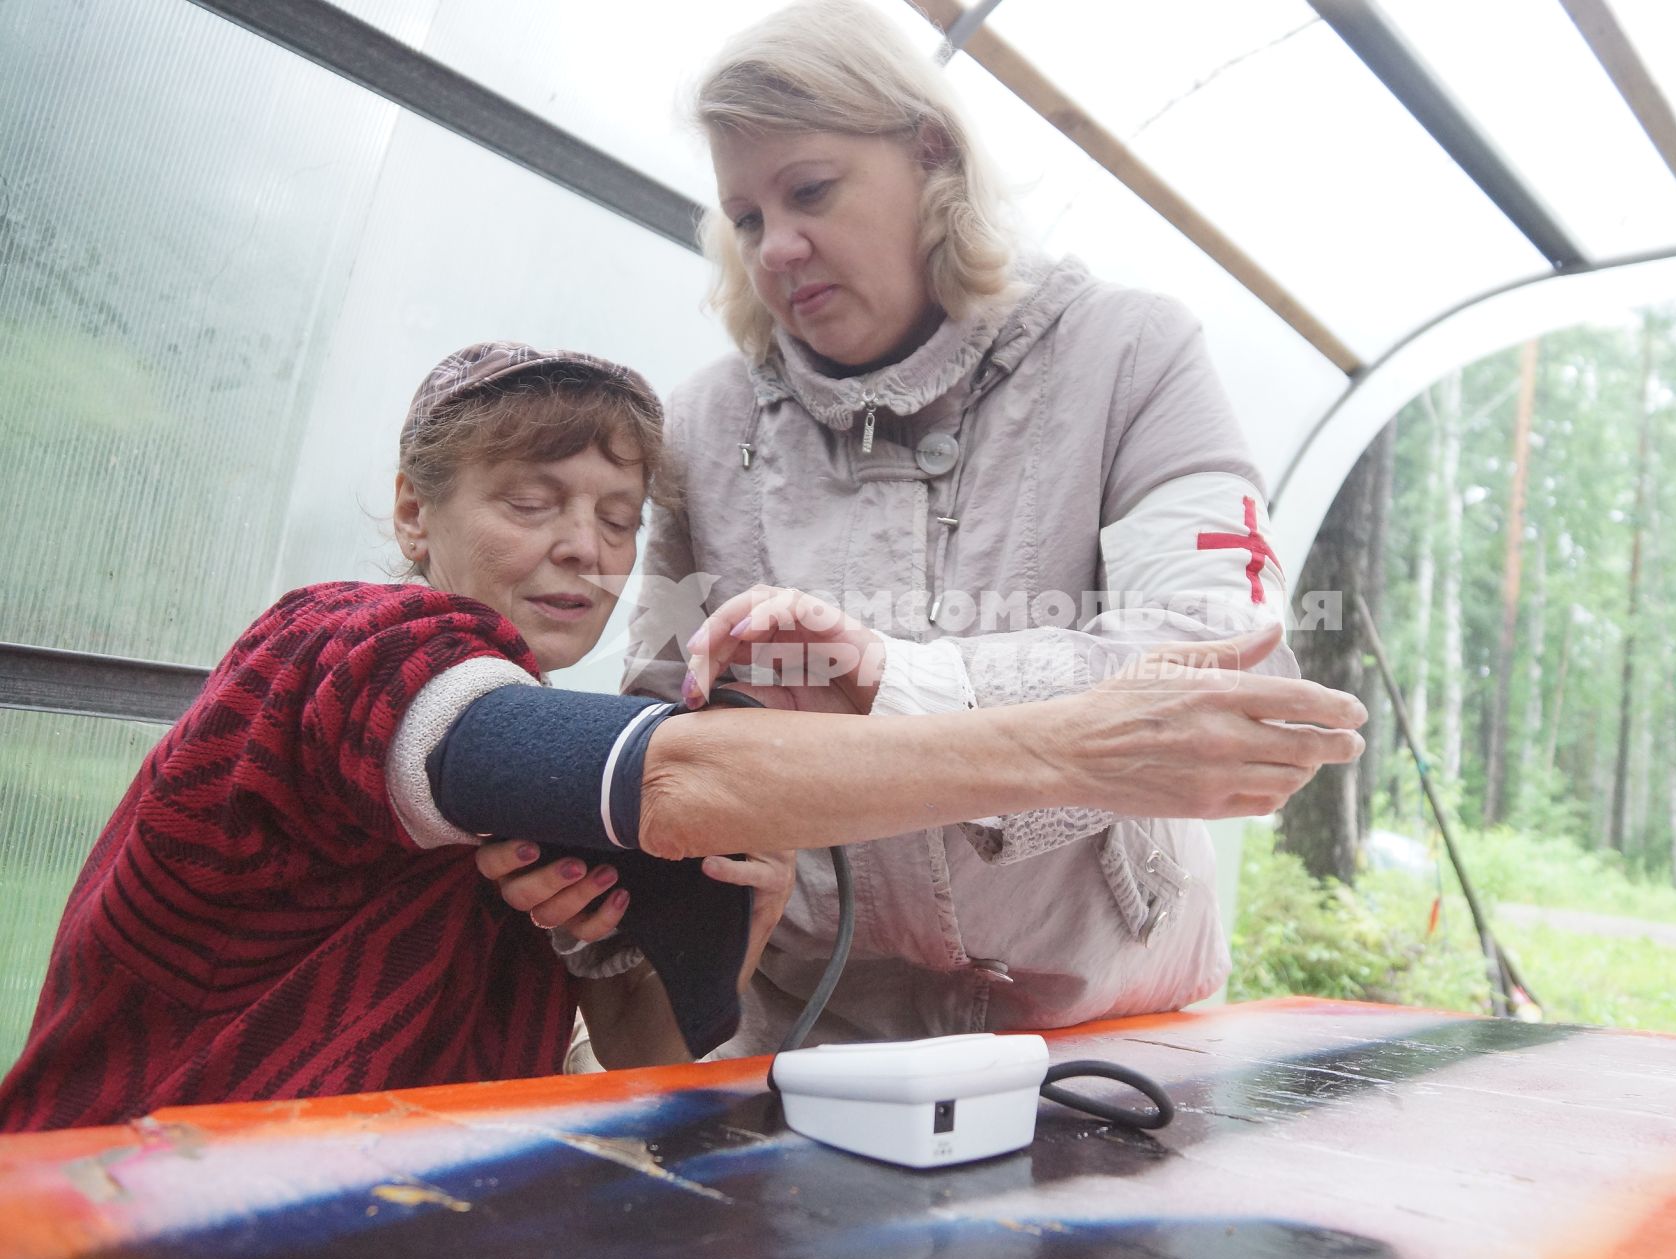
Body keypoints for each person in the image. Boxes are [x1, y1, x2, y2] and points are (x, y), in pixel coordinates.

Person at [0, 341, 1361, 1132]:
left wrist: (743, 923)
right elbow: (675, 781)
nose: (582, 554)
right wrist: (1084, 746)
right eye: (532, 502)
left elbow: (656, 1054)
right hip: (99, 1195)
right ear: (416, 518)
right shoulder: (352, 649)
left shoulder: (535, 777)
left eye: (614, 517)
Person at [484, 0, 1367, 1060]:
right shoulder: (705, 425)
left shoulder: (1129, 355)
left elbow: (1238, 663)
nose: (777, 249)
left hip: (1109, 1042)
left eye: (809, 190)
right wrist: (619, 867)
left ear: (932, 152)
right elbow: (665, 708)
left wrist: (897, 682)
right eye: (747, 218)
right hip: (806, 1044)